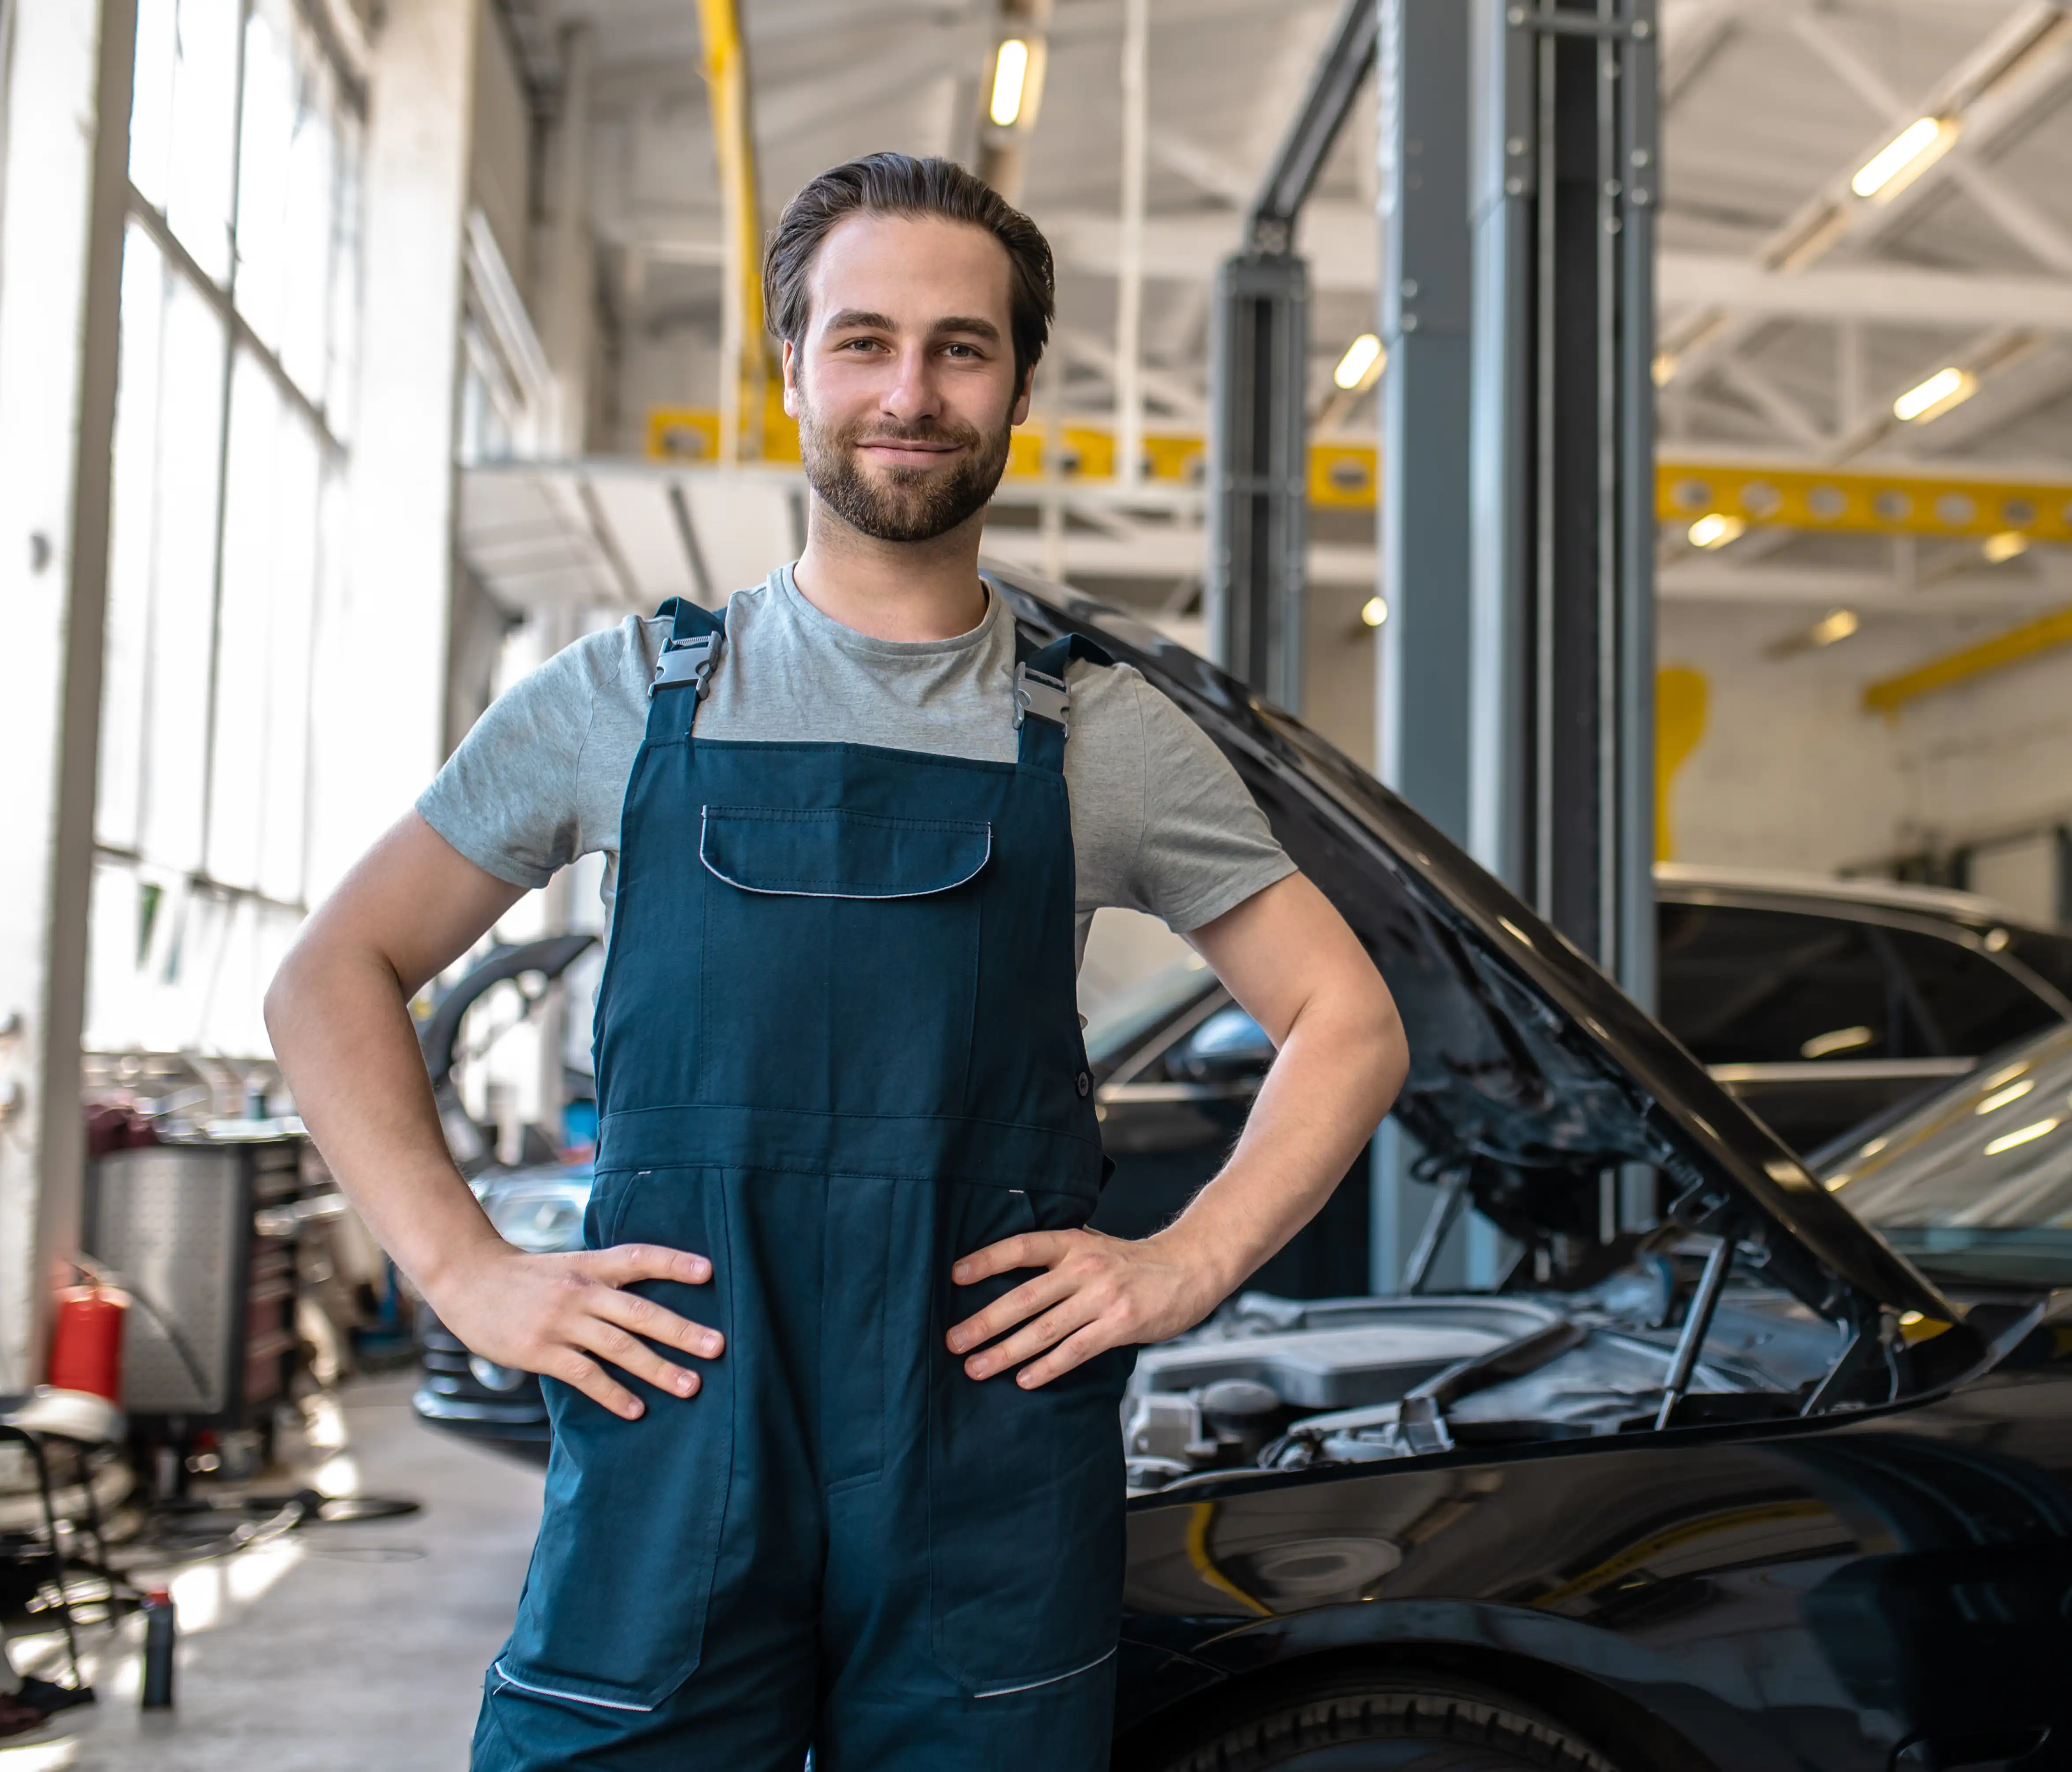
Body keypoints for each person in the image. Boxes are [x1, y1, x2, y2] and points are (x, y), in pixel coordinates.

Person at [265, 153, 1407, 1771]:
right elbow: (332, 976)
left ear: (1018, 389)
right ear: (791, 364)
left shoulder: (1103, 729)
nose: (912, 390)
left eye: (963, 347)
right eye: (864, 340)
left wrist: (1185, 1263)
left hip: (982, 1453)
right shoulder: (630, 699)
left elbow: (1348, 1021)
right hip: (679, 1431)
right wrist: (465, 1276)